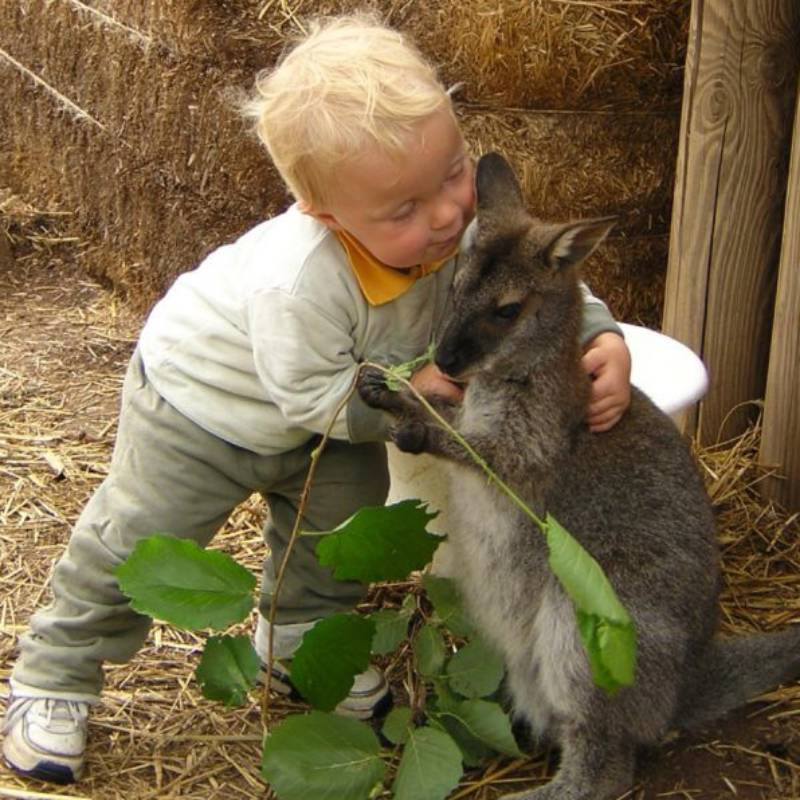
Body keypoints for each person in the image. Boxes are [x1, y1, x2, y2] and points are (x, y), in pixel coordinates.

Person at [1, 14, 632, 785]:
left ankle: (297, 642)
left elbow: (537, 285)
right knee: (141, 537)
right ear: (327, 217)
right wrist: (417, 391)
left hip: (337, 416)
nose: (443, 215)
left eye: (453, 174)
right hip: (205, 410)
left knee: (343, 528)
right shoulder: (298, 280)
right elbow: (306, 392)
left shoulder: (458, 233)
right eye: (403, 209)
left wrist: (603, 336)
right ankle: (56, 675)